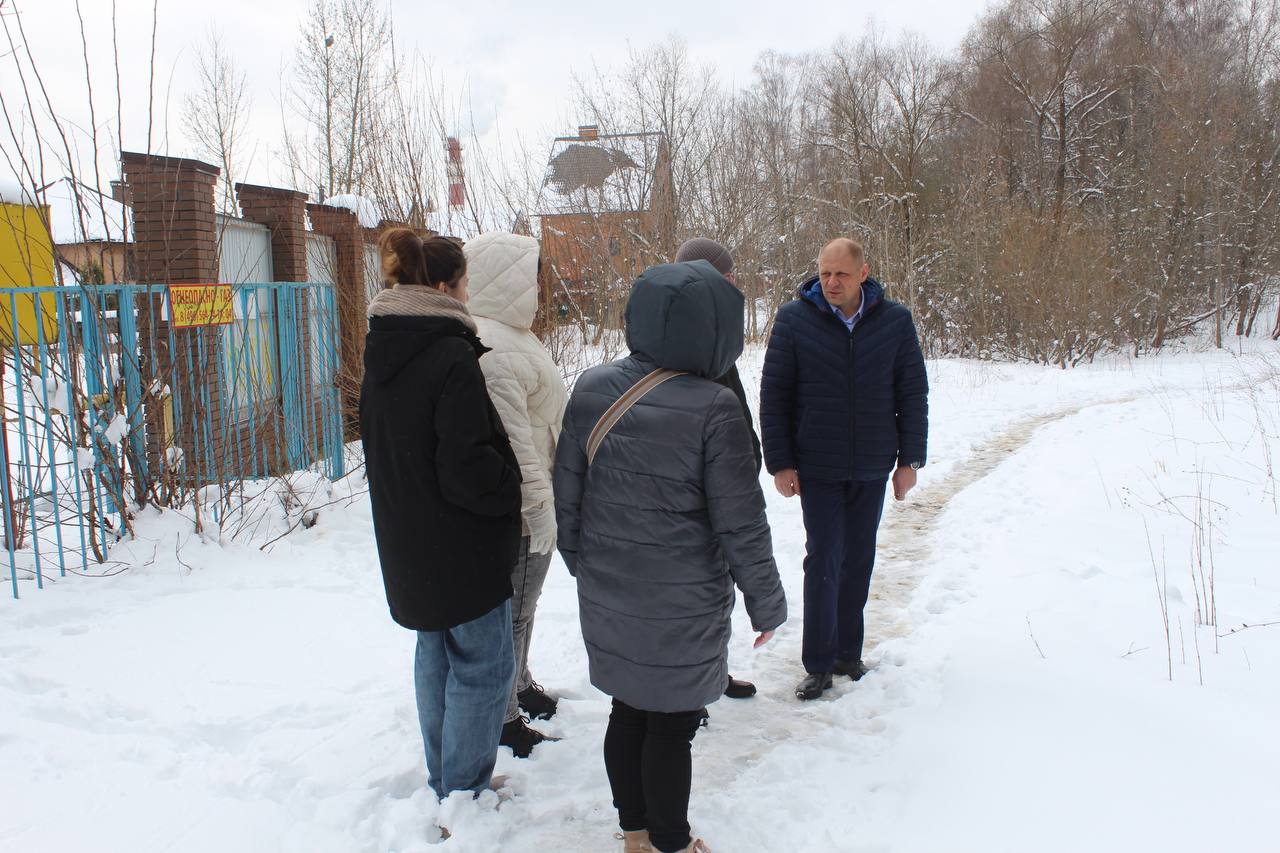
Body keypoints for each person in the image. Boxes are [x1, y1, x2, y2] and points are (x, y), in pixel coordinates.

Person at [555, 260, 787, 853]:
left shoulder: (591, 387)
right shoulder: (715, 407)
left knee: (628, 710)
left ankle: (635, 832)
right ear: (716, 329)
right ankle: (671, 840)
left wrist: (584, 563)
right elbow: (742, 522)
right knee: (671, 724)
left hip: (609, 586)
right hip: (682, 598)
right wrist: (766, 602)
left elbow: (568, 489)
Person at [360, 228, 521, 799]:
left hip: (408, 538)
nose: (469, 294)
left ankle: (448, 781)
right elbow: (466, 464)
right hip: (462, 545)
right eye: (466, 283)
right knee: (483, 666)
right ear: (446, 287)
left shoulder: (382, 347)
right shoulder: (450, 351)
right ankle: (466, 790)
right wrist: (510, 486)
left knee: (435, 657)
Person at [759, 237, 929, 702]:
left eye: (841, 274)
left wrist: (909, 461)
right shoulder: (795, 320)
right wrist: (781, 463)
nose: (831, 282)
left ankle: (847, 654)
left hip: (873, 463)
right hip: (818, 465)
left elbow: (912, 393)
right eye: (825, 273)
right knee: (824, 558)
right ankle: (818, 664)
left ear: (863, 273)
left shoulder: (894, 322)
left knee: (858, 559)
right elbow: (775, 396)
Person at [463, 232, 569, 758]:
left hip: (535, 497)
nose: (540, 287)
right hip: (523, 510)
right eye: (533, 276)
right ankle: (505, 718)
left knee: (524, 606)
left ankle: (520, 685)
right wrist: (539, 510)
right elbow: (516, 444)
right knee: (514, 612)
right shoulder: (496, 348)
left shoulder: (512, 336)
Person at [673, 237, 763, 703]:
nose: (734, 281)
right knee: (693, 597)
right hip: (697, 493)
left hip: (721, 486)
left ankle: (712, 672)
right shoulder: (685, 340)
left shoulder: (714, 331)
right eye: (728, 275)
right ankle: (690, 688)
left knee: (716, 592)